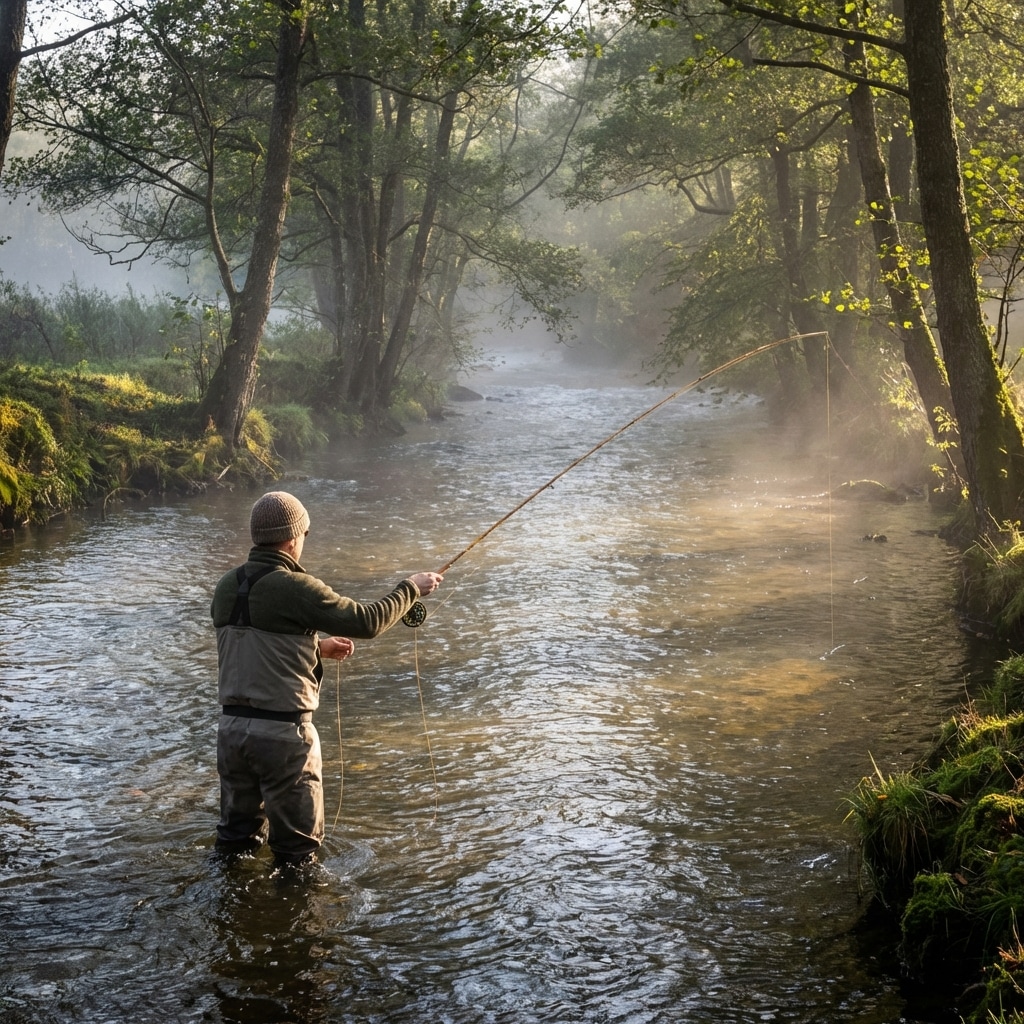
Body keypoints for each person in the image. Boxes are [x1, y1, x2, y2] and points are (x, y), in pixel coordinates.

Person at [210, 490, 443, 870]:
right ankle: (297, 927)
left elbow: (247, 647)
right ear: (291, 539)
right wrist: (411, 588)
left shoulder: (225, 586)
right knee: (297, 858)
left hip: (232, 734)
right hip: (283, 739)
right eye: (304, 535)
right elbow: (366, 622)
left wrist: (314, 647)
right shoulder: (295, 587)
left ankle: (225, 915)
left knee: (235, 844)